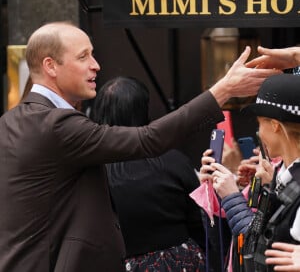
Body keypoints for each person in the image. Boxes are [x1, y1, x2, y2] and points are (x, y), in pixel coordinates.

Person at [0, 21, 281, 272]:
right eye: (83, 56)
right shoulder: (54, 123)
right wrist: (224, 90)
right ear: (50, 66)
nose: (96, 65)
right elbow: (148, 139)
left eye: (93, 54)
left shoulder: (12, 120)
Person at [91, 76, 206, 271]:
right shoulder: (173, 160)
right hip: (179, 261)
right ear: (143, 111)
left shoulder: (92, 172)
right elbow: (199, 220)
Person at [200, 73, 300, 271]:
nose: (258, 133)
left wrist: (232, 197)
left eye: (260, 123)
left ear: (275, 126)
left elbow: (259, 248)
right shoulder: (283, 175)